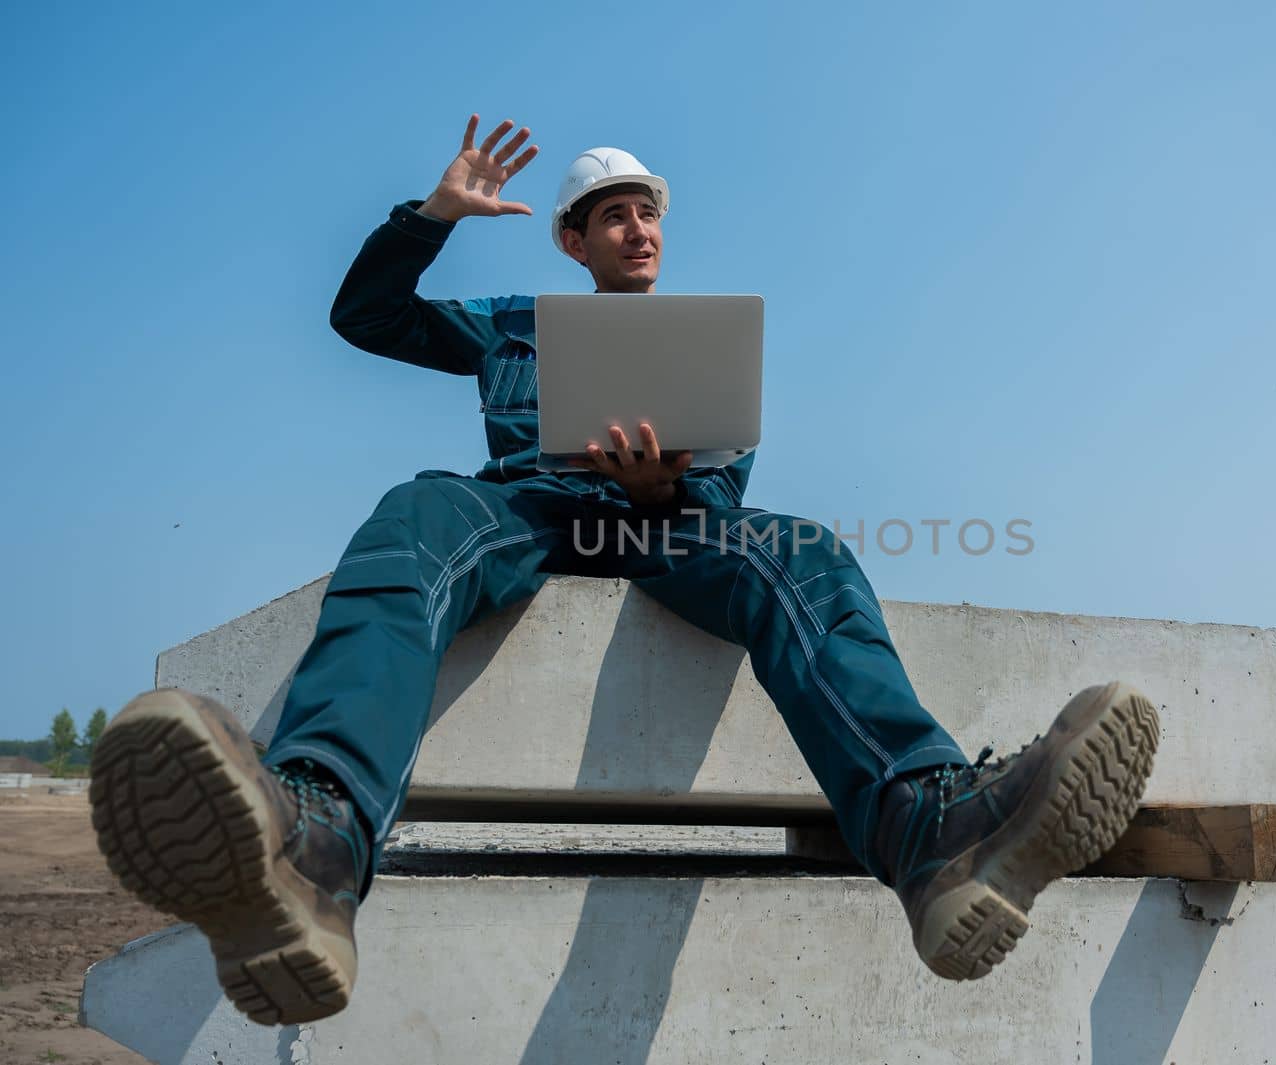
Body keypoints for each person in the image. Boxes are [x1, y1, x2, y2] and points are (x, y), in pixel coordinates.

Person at [89, 114, 1161, 1026]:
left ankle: (932, 832)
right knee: (412, 516)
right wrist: (433, 216)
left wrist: (659, 490)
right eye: (613, 214)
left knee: (806, 555)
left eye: (648, 211)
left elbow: (725, 496)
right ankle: (313, 846)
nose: (637, 228)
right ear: (571, 241)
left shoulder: (702, 347)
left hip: (656, 525)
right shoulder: (512, 326)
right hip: (521, 508)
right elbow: (363, 318)